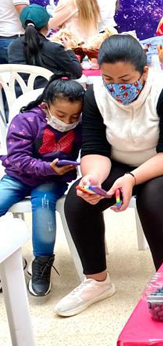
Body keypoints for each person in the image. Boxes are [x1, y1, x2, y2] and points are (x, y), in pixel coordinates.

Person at [55, 35, 163, 317]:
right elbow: (95, 149)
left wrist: (132, 178)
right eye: (109, 79)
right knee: (79, 198)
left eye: (125, 79)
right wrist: (93, 178)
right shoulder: (96, 95)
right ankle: (97, 281)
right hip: (118, 162)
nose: (116, 87)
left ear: (144, 72)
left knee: (153, 196)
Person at [0, 76, 84, 297]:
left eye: (75, 116)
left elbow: (93, 150)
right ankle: (5, 256)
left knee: (44, 203)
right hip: (19, 177)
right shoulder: (25, 121)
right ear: (45, 106)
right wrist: (48, 168)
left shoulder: (81, 126)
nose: (68, 121)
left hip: (52, 182)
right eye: (61, 115)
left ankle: (43, 263)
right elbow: (17, 159)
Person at [7, 4, 83, 79]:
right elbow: (77, 73)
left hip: (18, 91)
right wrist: (69, 49)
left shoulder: (13, 46)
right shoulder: (53, 48)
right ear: (46, 24)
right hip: (46, 90)